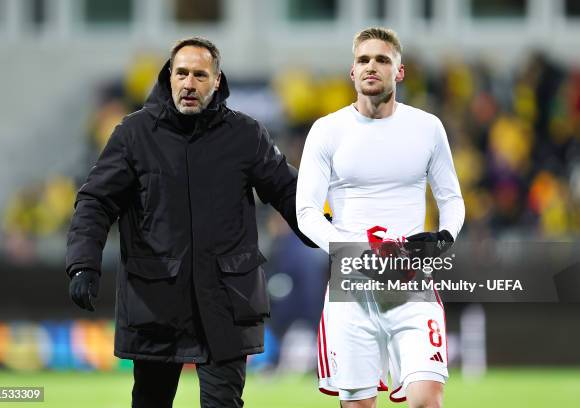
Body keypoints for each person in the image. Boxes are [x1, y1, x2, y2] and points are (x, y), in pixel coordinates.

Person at [66, 37, 315, 408]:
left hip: (226, 302)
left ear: (217, 82)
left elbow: (291, 193)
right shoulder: (134, 134)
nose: (189, 83)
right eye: (181, 73)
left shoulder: (246, 135)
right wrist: (83, 263)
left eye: (200, 75)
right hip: (156, 302)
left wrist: (335, 239)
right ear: (169, 77)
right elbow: (96, 201)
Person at [296, 27, 465, 407]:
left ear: (399, 72)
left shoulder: (427, 128)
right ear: (352, 72)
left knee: (427, 399)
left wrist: (443, 238)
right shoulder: (327, 131)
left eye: (383, 59)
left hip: (411, 283)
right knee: (357, 405)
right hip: (350, 288)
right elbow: (306, 211)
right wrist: (350, 251)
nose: (372, 66)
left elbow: (452, 199)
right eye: (363, 60)